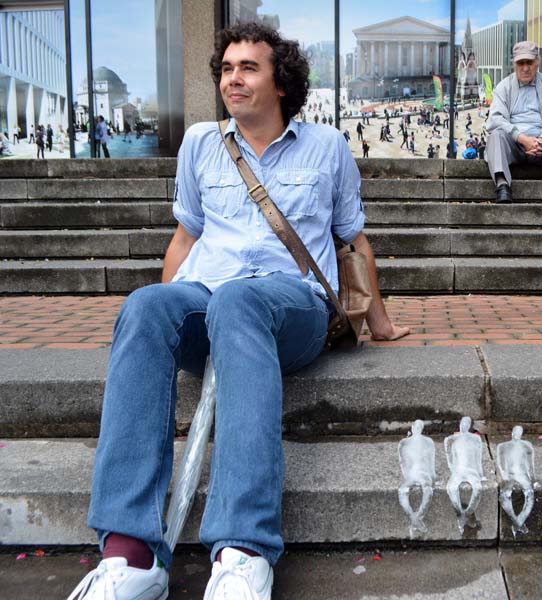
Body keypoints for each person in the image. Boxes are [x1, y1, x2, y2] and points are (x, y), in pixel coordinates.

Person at [65, 22, 406, 600]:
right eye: (226, 68)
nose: (233, 79)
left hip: (291, 306)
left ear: (282, 83)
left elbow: (354, 242)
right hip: (210, 296)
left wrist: (379, 323)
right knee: (147, 306)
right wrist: (165, 312)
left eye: (248, 67)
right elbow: (184, 238)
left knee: (240, 300)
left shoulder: (327, 148)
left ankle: (243, 552)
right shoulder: (200, 143)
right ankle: (131, 556)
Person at [485, 40, 542, 205]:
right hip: (514, 143)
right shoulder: (503, 87)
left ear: (538, 63)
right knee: (496, 137)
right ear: (514, 64)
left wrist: (540, 139)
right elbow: (496, 119)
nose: (525, 68)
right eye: (521, 63)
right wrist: (522, 139)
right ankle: (502, 185)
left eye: (530, 62)